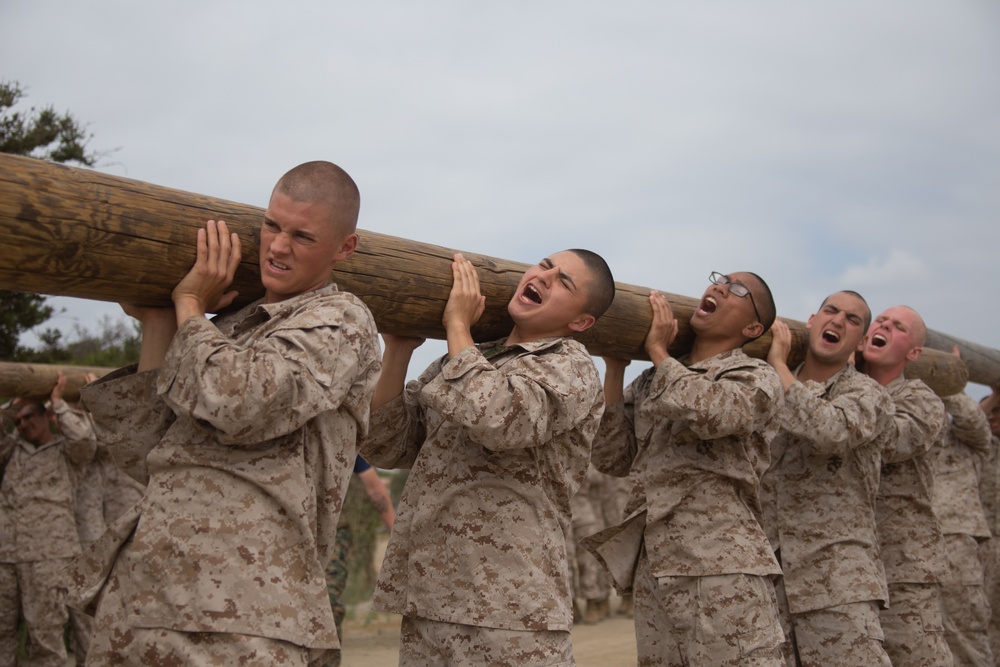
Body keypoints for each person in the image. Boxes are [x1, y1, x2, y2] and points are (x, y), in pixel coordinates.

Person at [71, 161, 382, 665]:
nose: (277, 247)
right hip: (142, 598)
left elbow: (237, 403)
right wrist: (159, 319)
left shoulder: (342, 321)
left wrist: (191, 306)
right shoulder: (227, 330)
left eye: (302, 236)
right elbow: (140, 450)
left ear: (344, 248)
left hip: (248, 614)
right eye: (271, 226)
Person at [359, 249, 615, 665]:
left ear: (581, 322)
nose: (546, 276)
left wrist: (457, 325)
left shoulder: (572, 367)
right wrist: (399, 349)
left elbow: (499, 418)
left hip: (510, 612)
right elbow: (388, 443)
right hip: (430, 602)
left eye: (564, 281)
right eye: (545, 265)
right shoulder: (471, 359)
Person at [586, 270, 786, 666]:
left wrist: (660, 353)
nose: (718, 287)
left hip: (721, 566)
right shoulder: (651, 381)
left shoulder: (755, 376)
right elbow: (613, 458)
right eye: (719, 279)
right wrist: (615, 368)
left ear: (752, 326)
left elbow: (714, 412)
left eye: (737, 290)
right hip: (656, 567)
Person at [762, 290, 896, 667]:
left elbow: (829, 430)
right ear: (811, 321)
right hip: (770, 576)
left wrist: (778, 365)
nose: (838, 321)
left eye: (852, 320)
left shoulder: (869, 395)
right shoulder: (765, 388)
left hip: (838, 580)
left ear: (862, 341)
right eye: (831, 311)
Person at [862, 305, 950, 667]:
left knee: (916, 658)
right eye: (880, 320)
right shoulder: (838, 390)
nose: (883, 325)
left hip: (904, 565)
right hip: (845, 563)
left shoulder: (921, 399)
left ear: (913, 353)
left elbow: (890, 438)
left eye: (897, 326)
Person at [0, 396, 96, 667]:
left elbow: (84, 439)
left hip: (48, 557)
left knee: (45, 636)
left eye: (29, 416)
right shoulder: (11, 451)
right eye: (18, 421)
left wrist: (59, 404)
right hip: (5, 556)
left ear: (45, 417)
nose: (23, 424)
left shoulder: (68, 454)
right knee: (2, 634)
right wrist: (11, 406)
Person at [932, 376, 994, 666]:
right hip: (915, 547)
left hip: (959, 544)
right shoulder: (922, 429)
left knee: (966, 639)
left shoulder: (975, 438)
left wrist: (949, 376)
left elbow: (973, 416)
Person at [324, 455, 395, 667]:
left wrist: (397, 537)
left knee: (328, 604)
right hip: (285, 529)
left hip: (331, 530)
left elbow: (374, 488)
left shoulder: (340, 428)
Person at [978, 391, 1000, 660]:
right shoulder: (981, 444)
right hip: (984, 543)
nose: (993, 418)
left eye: (998, 412)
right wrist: (995, 395)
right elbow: (975, 417)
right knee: (981, 616)